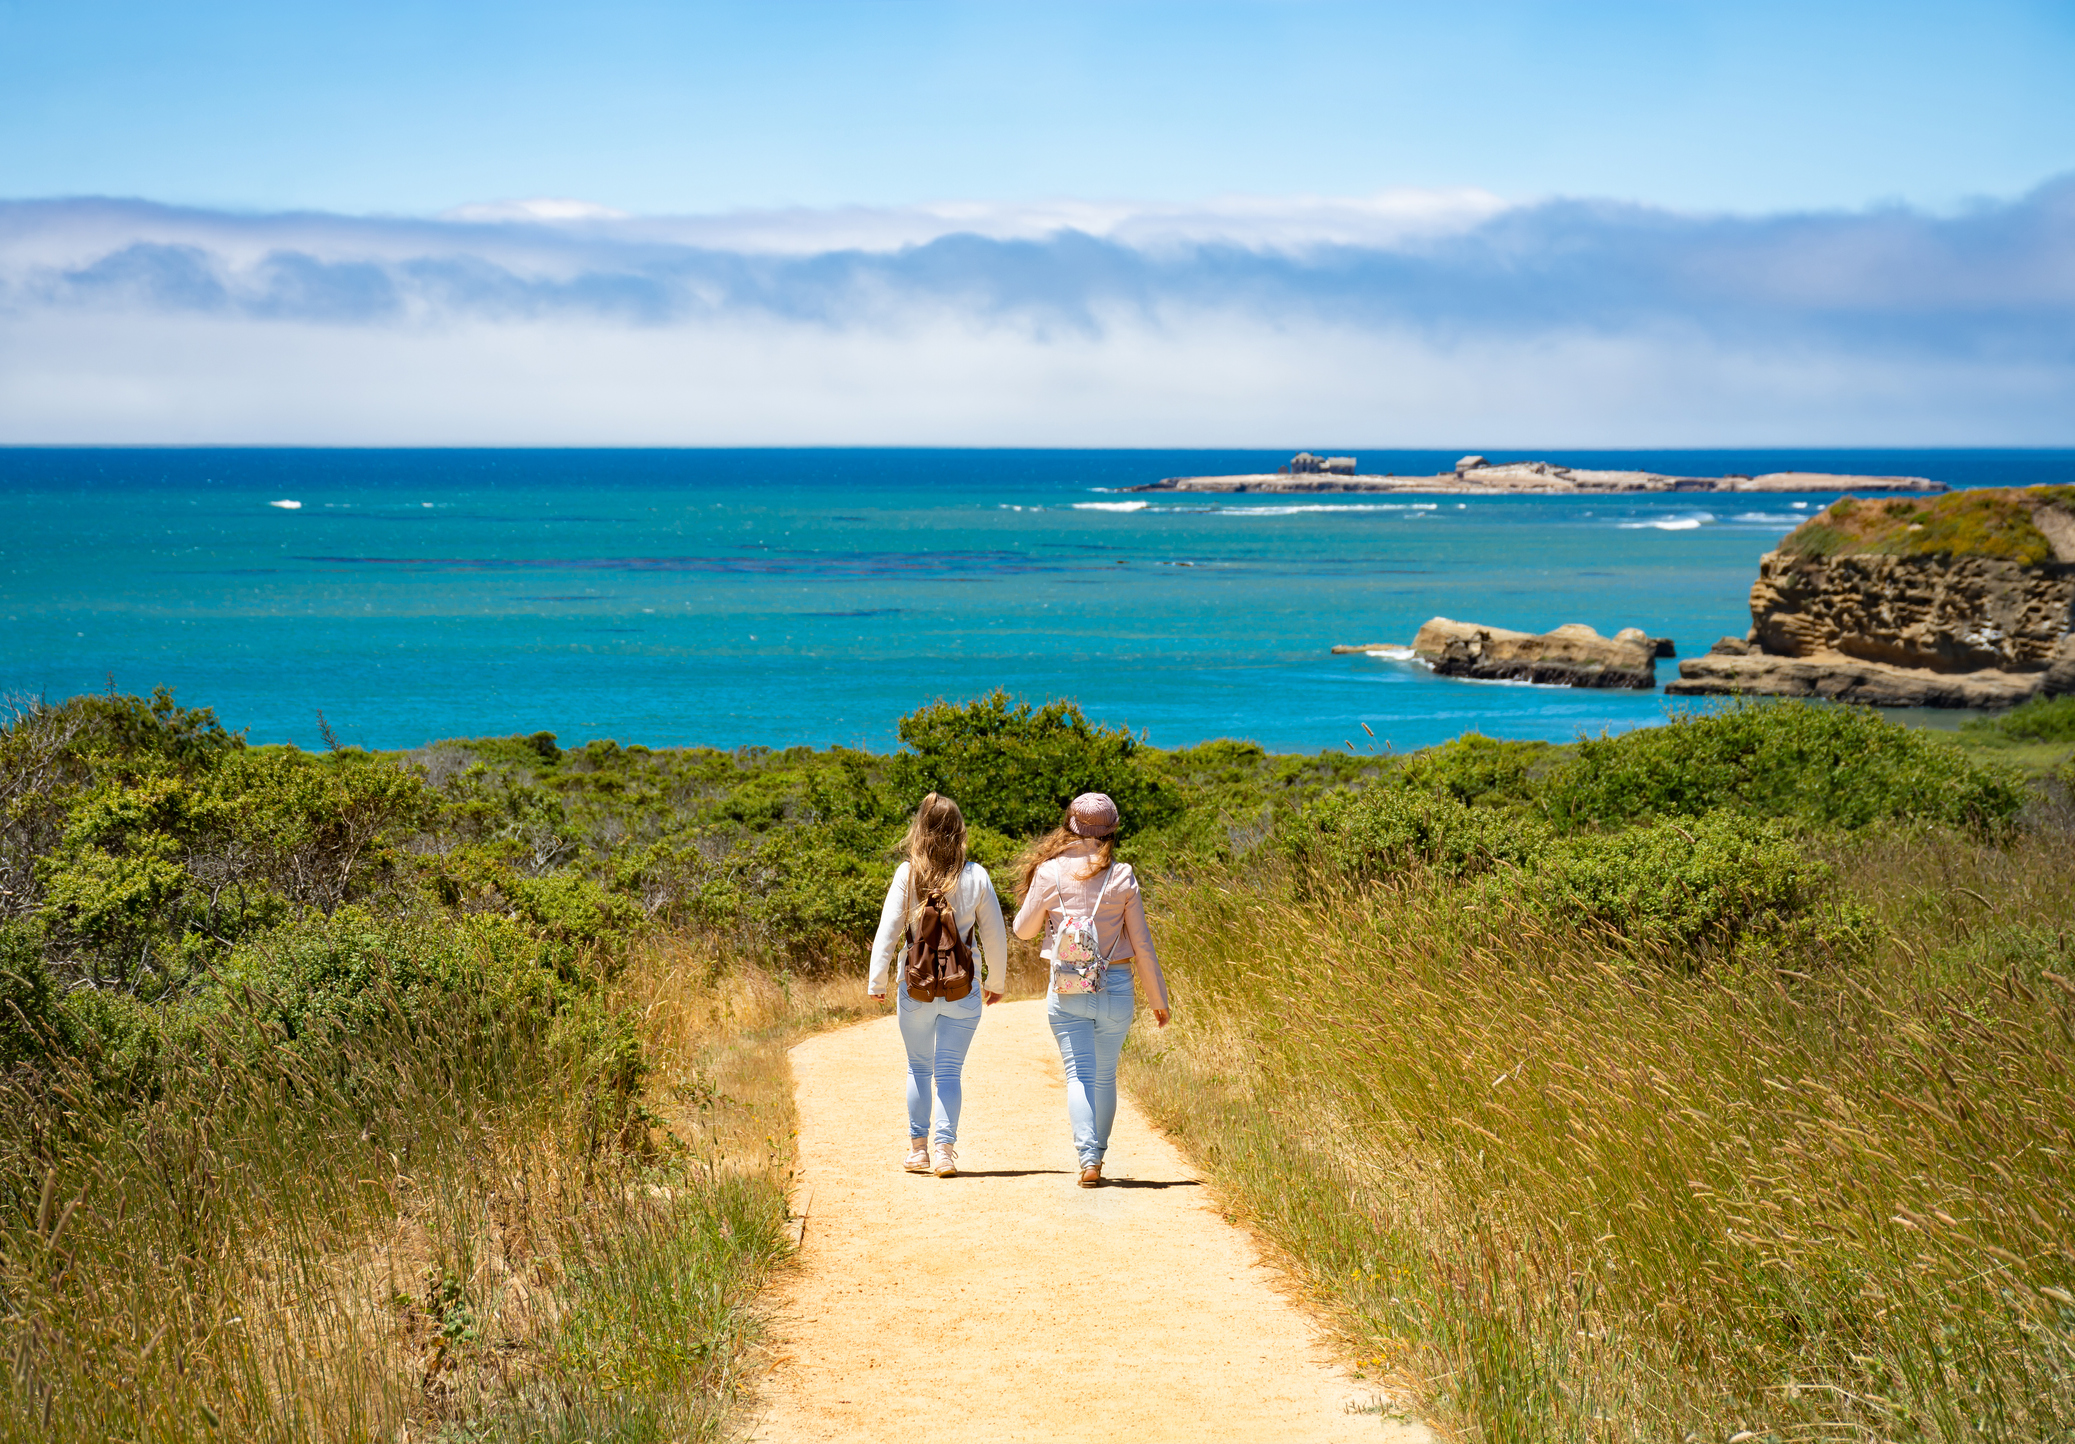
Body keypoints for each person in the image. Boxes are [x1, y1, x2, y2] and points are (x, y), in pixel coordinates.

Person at [1012, 791, 1169, 1188]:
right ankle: (1096, 1155)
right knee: (1105, 1077)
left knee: (1078, 1076)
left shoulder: (1049, 872)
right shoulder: (1122, 874)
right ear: (1112, 830)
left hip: (1067, 987)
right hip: (1116, 986)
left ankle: (1086, 1160)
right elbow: (1144, 944)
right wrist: (1158, 1000)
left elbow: (1023, 931)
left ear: (1070, 825)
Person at [868, 792, 1007, 1178]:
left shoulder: (907, 873)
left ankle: (918, 1151)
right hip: (963, 988)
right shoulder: (976, 875)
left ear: (921, 830)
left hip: (917, 986)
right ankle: (945, 1151)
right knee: (948, 1071)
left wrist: (876, 980)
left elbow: (889, 930)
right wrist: (997, 980)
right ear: (960, 831)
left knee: (918, 1066)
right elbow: (995, 935)